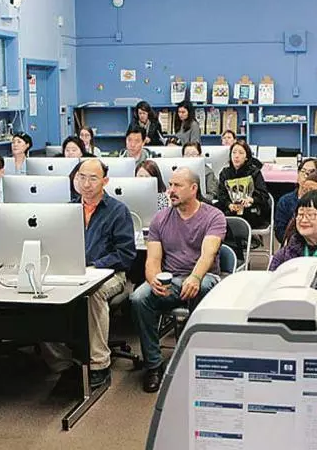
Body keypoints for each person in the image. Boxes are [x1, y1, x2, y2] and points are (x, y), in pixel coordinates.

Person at [131, 168, 226, 392]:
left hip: (203, 277)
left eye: (177, 186)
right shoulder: (160, 218)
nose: (170, 191)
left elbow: (208, 254)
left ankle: (196, 360)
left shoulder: (214, 216)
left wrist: (194, 276)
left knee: (201, 287)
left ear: (193, 189)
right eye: (169, 185)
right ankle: (154, 365)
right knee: (138, 298)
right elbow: (153, 259)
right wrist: (153, 279)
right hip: (171, 280)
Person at [45, 158, 137, 390]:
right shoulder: (67, 210)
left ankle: (99, 365)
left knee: (93, 295)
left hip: (109, 275)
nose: (86, 183)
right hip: (71, 273)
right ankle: (64, 363)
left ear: (105, 181)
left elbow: (126, 254)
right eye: (81, 177)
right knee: (40, 295)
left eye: (93, 178)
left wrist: (94, 265)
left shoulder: (118, 211)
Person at [215, 140, 271, 229]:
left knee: (245, 215)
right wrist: (229, 204)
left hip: (250, 210)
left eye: (241, 153)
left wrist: (251, 199)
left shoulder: (254, 172)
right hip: (231, 209)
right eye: (234, 153)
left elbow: (264, 195)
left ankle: (246, 240)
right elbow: (221, 194)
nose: (236, 156)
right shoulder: (225, 173)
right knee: (215, 212)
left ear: (246, 157)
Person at [274, 158, 317, 243]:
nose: (306, 175)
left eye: (312, 172)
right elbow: (279, 231)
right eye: (303, 171)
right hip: (292, 244)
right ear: (298, 174)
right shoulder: (285, 201)